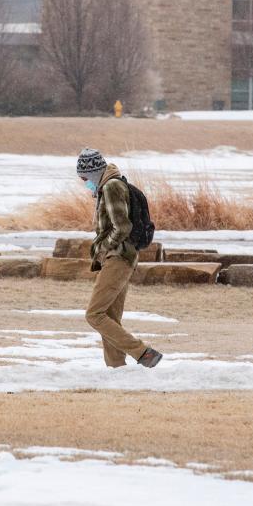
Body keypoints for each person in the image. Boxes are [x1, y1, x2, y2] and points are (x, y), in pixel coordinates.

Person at [76, 148, 163, 368]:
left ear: (94, 172)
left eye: (85, 178)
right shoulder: (107, 187)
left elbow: (122, 226)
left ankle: (143, 353)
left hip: (118, 257)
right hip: (120, 257)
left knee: (94, 314)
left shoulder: (112, 186)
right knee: (109, 317)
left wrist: (104, 248)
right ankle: (116, 368)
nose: (85, 183)